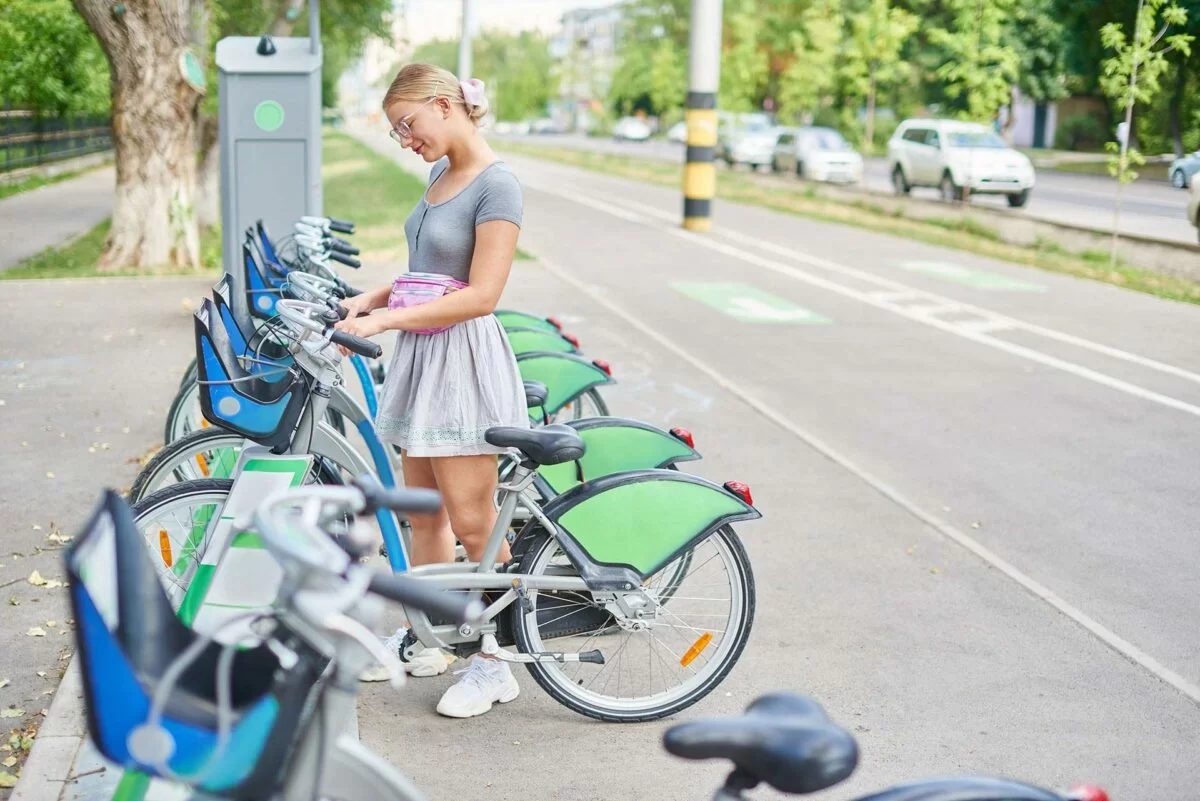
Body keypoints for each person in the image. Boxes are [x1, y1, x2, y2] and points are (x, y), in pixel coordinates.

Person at [333, 63, 529, 719]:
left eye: (407, 125)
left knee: (476, 522)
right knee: (425, 513)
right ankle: (433, 635)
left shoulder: (497, 185)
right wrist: (375, 295)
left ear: (445, 106)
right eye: (396, 132)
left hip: (464, 364)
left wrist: (385, 320)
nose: (404, 140)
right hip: (425, 357)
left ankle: (496, 661)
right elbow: (427, 276)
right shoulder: (439, 176)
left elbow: (480, 295)